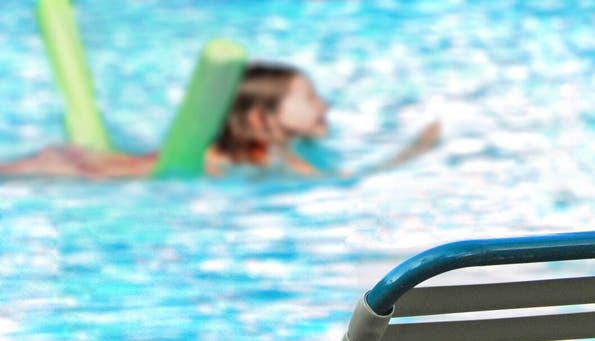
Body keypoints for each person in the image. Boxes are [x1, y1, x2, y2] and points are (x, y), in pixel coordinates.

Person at [0, 62, 440, 178]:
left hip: (96, 163)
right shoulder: (263, 156)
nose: (323, 105)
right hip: (89, 171)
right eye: (308, 98)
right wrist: (413, 153)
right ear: (258, 118)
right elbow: (341, 180)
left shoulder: (263, 151)